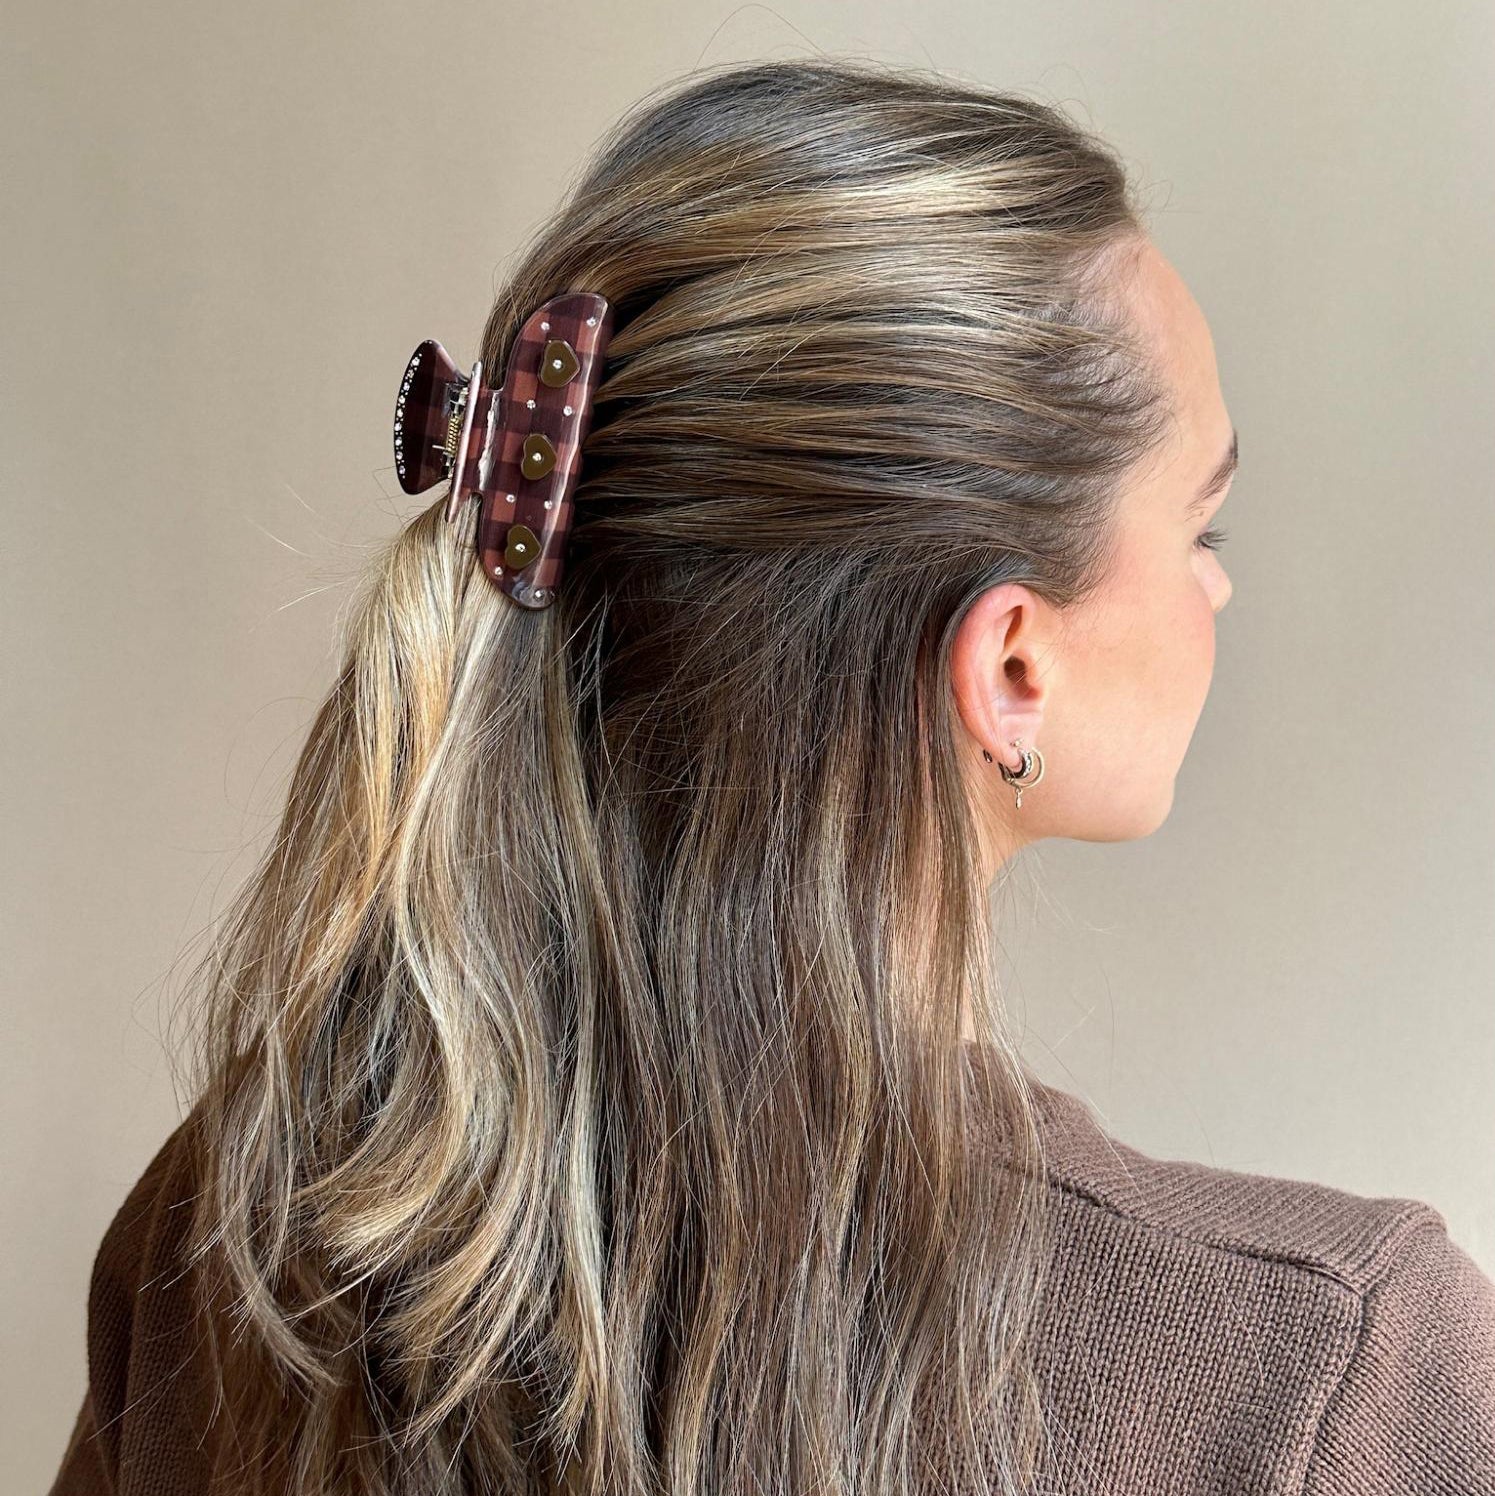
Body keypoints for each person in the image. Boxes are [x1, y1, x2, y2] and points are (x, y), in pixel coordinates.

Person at [47, 55, 1495, 1496]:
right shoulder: (1334, 1374)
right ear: (1009, 668)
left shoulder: (233, 1235)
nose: (1217, 597)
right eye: (1203, 532)